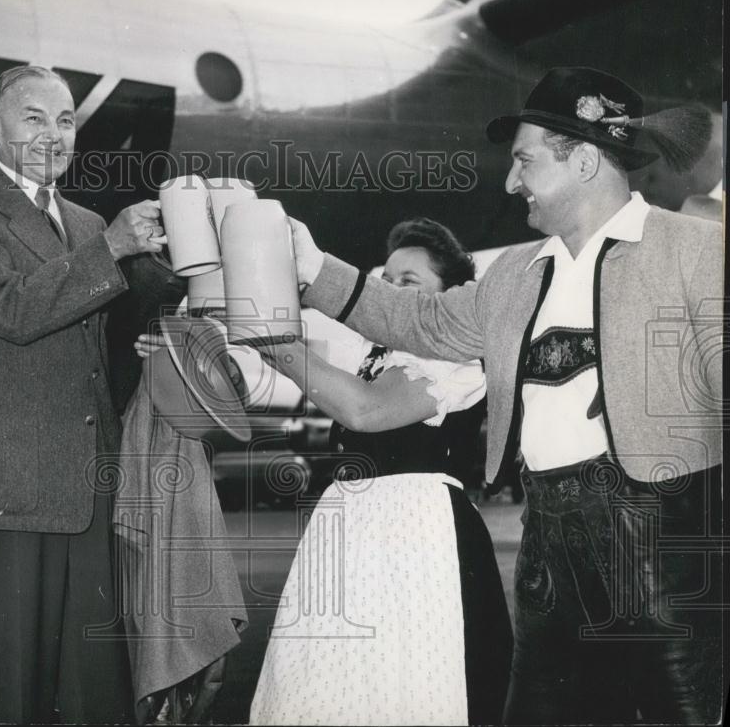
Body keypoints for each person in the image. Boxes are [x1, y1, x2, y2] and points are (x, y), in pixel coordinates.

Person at [289, 67, 725, 724]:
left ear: (582, 161)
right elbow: (418, 322)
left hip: (664, 548)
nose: (510, 181)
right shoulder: (516, 273)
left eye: (523, 160)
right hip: (548, 546)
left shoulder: (696, 251)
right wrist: (310, 265)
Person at [0, 64, 166, 724]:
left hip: (85, 488)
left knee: (98, 694)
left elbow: (99, 338)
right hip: (5, 489)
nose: (54, 134)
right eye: (35, 117)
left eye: (66, 120)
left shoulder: (84, 222)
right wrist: (114, 246)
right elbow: (12, 309)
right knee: (16, 695)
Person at [245, 218, 511, 726]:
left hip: (417, 531)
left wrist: (273, 342)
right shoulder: (375, 355)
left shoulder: (455, 355)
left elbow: (364, 411)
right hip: (352, 527)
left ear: (448, 297)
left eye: (408, 283)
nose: (388, 293)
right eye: (384, 281)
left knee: (404, 683)